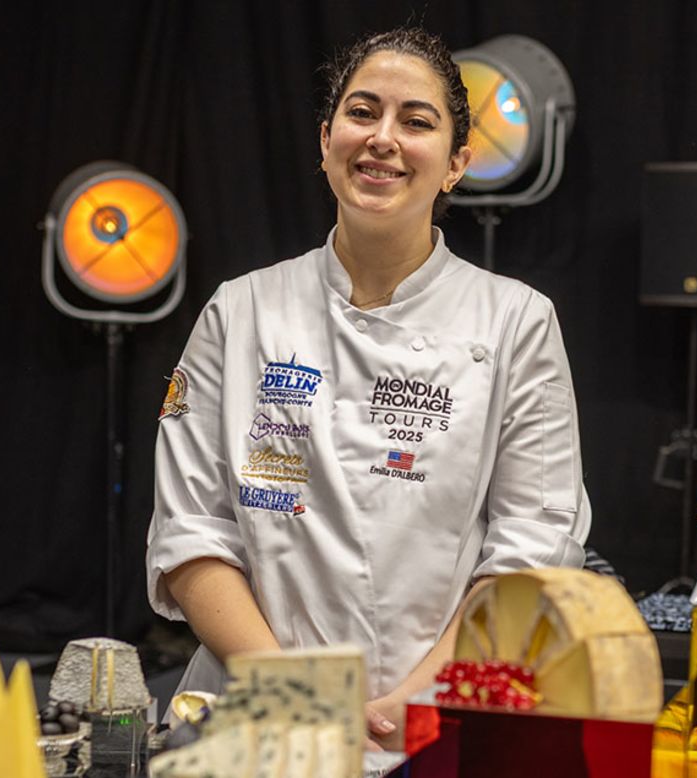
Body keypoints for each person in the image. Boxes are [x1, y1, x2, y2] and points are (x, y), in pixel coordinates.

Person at [145, 27, 591, 751]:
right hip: (252, 703)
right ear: (326, 142)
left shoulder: (516, 321)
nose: (383, 138)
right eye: (361, 113)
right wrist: (296, 695)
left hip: (439, 713)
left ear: (455, 165)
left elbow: (531, 548)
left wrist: (405, 705)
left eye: (415, 122)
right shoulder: (240, 310)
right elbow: (192, 532)